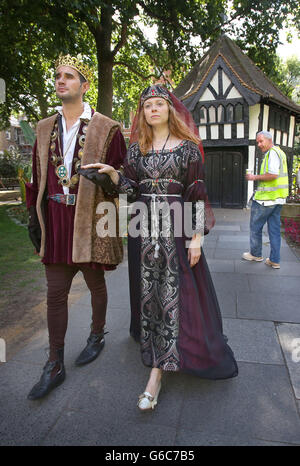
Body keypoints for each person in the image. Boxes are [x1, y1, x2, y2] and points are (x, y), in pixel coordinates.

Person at [80, 84, 238, 411]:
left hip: (177, 231)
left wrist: (197, 237)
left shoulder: (189, 149)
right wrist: (113, 174)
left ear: (170, 109)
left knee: (176, 295)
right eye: (147, 105)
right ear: (143, 112)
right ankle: (158, 359)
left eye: (158, 104)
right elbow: (132, 190)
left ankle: (157, 372)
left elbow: (196, 193)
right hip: (144, 232)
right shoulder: (136, 151)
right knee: (151, 295)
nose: (152, 109)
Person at [25, 54, 127, 400]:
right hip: (55, 222)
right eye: (57, 76)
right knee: (55, 293)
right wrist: (33, 217)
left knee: (96, 284)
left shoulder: (107, 128)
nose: (60, 80)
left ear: (84, 86)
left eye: (69, 76)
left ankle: (97, 334)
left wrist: (110, 178)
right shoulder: (42, 128)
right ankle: (54, 361)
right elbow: (38, 180)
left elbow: (121, 180)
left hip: (90, 222)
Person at [243, 131, 289, 269]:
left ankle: (256, 254)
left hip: (266, 200)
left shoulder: (272, 153)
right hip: (278, 199)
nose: (259, 144)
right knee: (274, 230)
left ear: (269, 140)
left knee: (255, 227)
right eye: (257, 142)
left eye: (261, 141)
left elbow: (273, 175)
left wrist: (254, 177)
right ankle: (275, 260)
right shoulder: (280, 152)